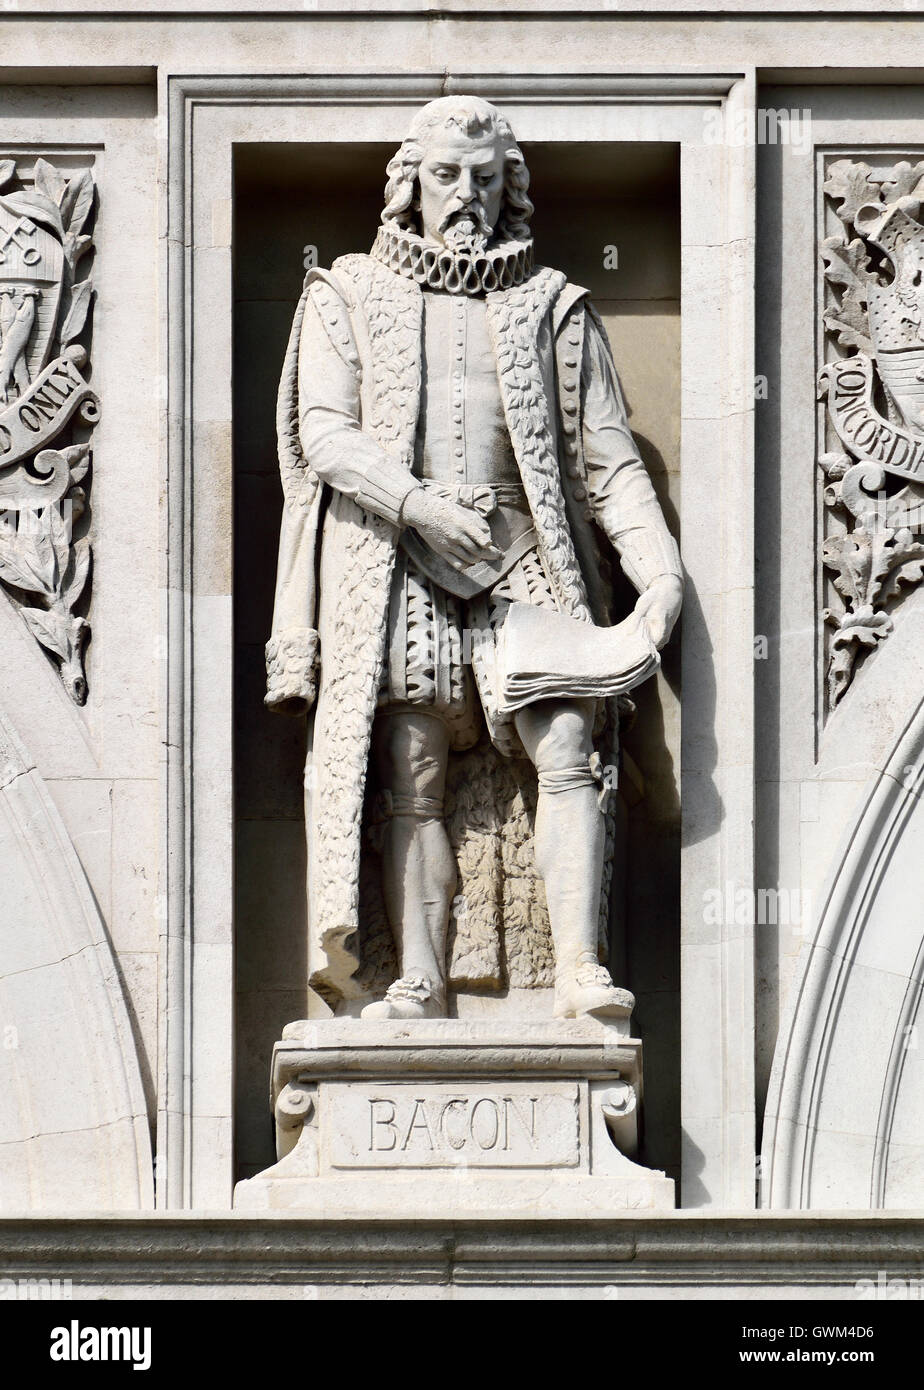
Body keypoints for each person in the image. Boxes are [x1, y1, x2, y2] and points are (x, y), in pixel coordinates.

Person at [267, 95, 682, 1021]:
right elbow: (325, 435)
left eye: (488, 178)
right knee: (411, 763)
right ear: (410, 182)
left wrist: (659, 576)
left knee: (567, 740)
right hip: (399, 560)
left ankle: (579, 968)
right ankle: (418, 976)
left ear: (511, 188)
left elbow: (609, 465)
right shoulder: (346, 292)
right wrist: (414, 504)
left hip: (524, 553)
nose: (468, 195)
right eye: (448, 175)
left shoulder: (552, 307)